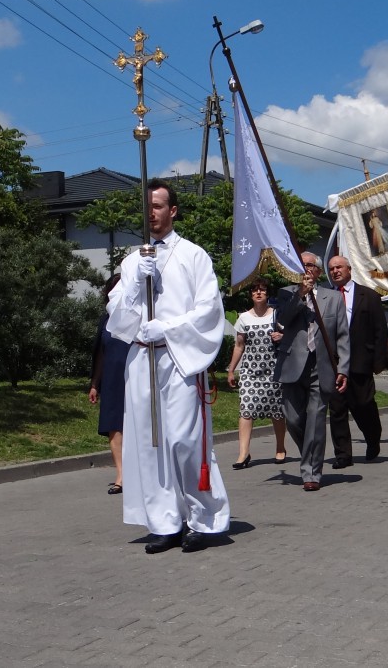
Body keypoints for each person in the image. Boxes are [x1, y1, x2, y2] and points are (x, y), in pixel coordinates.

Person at [106, 179, 229, 554]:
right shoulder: (132, 261)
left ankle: (203, 519)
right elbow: (116, 317)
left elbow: (209, 310)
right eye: (146, 206)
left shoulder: (193, 255)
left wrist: (169, 328)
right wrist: (134, 284)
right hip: (142, 358)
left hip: (178, 357)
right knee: (150, 443)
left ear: (172, 211)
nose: (151, 213)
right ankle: (165, 521)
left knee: (183, 441)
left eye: (157, 206)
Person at [274, 251, 350, 492]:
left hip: (321, 365)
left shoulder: (333, 298)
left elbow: (342, 335)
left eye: (309, 265)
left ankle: (311, 473)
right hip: (292, 365)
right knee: (294, 419)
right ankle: (310, 452)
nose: (305, 269)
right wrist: (301, 294)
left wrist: (343, 368)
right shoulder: (286, 293)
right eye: (301, 265)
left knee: (316, 420)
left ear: (317, 271)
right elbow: (282, 321)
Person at [326, 255, 387, 466]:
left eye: (339, 267)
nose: (335, 271)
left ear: (349, 269)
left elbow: (380, 330)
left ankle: (373, 437)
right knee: (337, 410)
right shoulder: (326, 297)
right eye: (331, 269)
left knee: (363, 405)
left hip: (361, 361)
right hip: (334, 364)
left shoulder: (368, 296)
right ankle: (343, 455)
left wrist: (378, 362)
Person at [225, 277, 287, 468]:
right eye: (254, 290)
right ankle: (243, 453)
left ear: (268, 294)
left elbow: (290, 337)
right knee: (246, 409)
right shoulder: (244, 318)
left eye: (262, 290)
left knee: (277, 411)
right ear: (251, 295)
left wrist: (281, 336)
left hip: (274, 371)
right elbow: (239, 345)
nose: (258, 293)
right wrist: (231, 370)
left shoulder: (276, 315)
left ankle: (280, 447)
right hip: (250, 372)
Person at [89, 274, 128, 495]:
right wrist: (95, 384)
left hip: (135, 378)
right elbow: (100, 354)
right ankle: (121, 475)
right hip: (112, 379)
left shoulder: (138, 317)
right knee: (114, 426)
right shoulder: (105, 320)